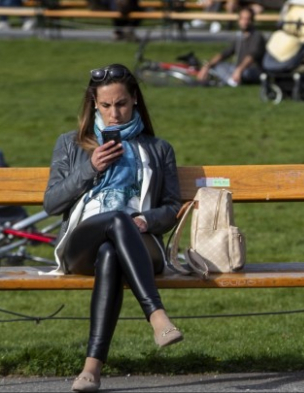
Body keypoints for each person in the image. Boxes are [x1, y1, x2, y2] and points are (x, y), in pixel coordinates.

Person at [43, 63, 183, 392]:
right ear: (94, 103)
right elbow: (52, 203)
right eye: (105, 106)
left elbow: (173, 207)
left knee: (112, 251)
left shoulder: (158, 149)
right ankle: (157, 316)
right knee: (114, 225)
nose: (114, 114)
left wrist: (146, 220)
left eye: (121, 104)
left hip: (140, 242)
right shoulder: (70, 144)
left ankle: (91, 369)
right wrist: (90, 169)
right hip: (81, 245)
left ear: (134, 99)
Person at [196, 6, 266, 86]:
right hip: (237, 68)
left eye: (247, 19)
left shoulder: (257, 36)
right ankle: (231, 81)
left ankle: (230, 81)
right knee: (217, 65)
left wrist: (239, 70)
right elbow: (225, 53)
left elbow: (251, 56)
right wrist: (207, 66)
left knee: (246, 72)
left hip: (252, 69)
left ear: (252, 20)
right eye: (242, 19)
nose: (245, 22)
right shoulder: (239, 37)